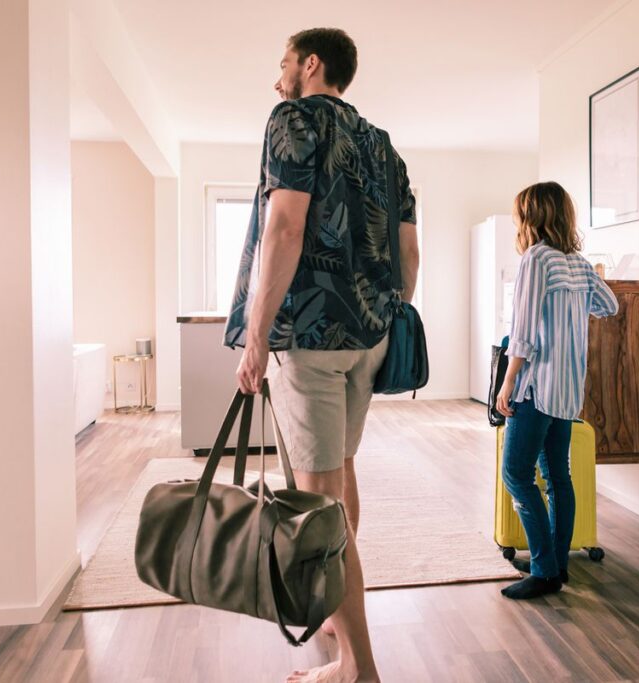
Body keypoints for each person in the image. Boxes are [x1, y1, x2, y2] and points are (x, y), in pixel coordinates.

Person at [225, 27, 418, 683]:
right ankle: (341, 613)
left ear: (311, 65)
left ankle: (357, 669)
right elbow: (408, 252)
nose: (277, 76)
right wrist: (386, 315)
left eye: (283, 61)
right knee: (338, 478)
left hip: (308, 335)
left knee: (317, 504)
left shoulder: (294, 118)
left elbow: (284, 225)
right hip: (368, 336)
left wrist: (256, 335)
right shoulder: (382, 146)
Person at [495, 182, 618, 600]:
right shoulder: (579, 264)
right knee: (557, 475)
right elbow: (610, 305)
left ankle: (545, 569)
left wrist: (508, 381)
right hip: (567, 390)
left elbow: (524, 333)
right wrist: (574, 302)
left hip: (534, 386)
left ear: (531, 216)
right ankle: (557, 564)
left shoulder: (536, 259)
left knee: (516, 474)